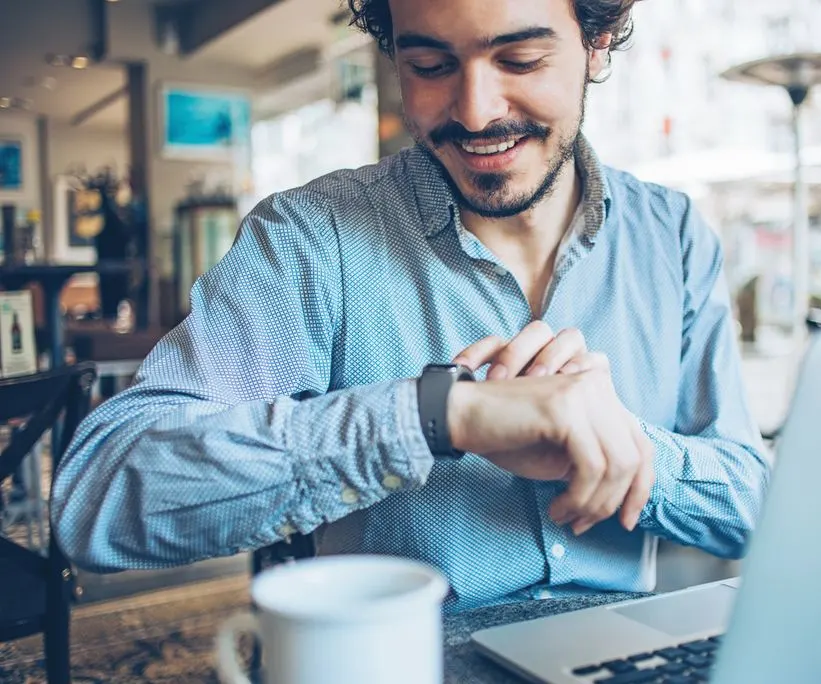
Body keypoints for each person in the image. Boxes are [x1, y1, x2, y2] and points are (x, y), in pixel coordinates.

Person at [51, 0, 770, 612]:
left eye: (519, 60)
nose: (475, 111)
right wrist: (437, 416)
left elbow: (753, 507)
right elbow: (96, 497)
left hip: (616, 650)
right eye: (429, 66)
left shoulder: (672, 235)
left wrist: (620, 445)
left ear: (597, 42)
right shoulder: (312, 238)